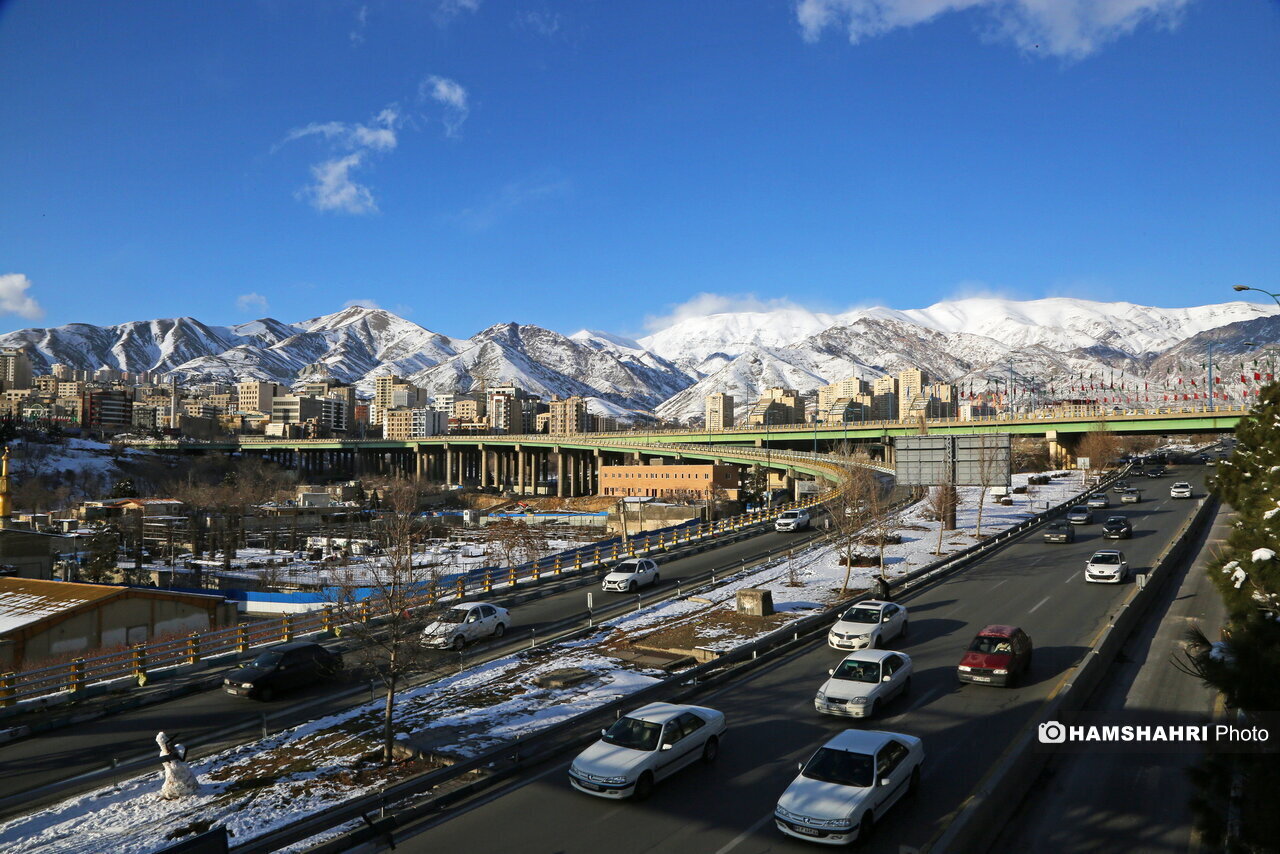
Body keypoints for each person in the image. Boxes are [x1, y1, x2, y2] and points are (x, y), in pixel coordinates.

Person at [156, 731, 199, 799]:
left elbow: (183, 762)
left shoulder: (178, 748)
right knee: (173, 786)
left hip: (186, 777)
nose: (169, 747)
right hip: (173, 778)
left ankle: (191, 788)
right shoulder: (163, 754)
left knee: (188, 783)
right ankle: (173, 792)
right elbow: (171, 767)